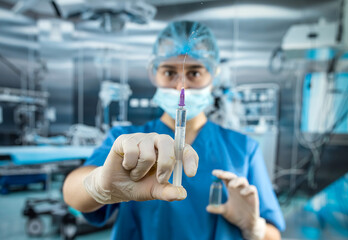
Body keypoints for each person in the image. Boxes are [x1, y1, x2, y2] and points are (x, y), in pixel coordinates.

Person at [63, 21, 285, 240]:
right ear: (153, 73)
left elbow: (274, 235)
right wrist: (99, 184)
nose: (181, 86)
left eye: (195, 73)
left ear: (213, 74)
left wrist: (252, 226)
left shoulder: (243, 148)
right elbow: (72, 193)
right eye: (169, 72)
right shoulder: (126, 142)